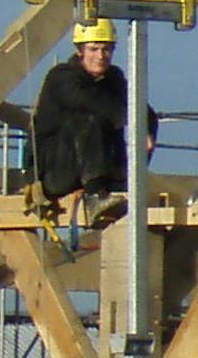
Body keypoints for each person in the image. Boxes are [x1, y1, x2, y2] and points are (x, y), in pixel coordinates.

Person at [25, 18, 137, 221]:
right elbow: (91, 102)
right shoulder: (62, 77)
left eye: (106, 50)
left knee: (137, 120)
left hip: (99, 170)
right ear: (80, 51)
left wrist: (146, 128)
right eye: (94, 49)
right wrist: (130, 118)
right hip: (56, 171)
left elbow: (140, 108)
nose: (101, 56)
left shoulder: (113, 79)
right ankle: (95, 196)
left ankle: (123, 181)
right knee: (90, 120)